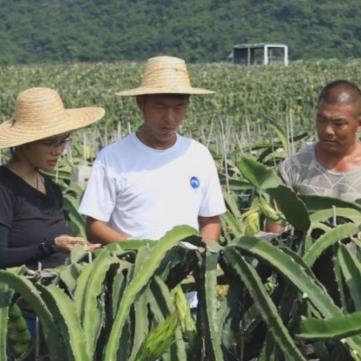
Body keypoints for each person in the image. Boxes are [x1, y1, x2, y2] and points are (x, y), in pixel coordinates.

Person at [79, 56, 226, 244]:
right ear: (141, 104)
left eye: (179, 108)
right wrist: (141, 254)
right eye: (160, 107)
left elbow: (210, 220)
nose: (170, 118)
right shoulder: (112, 157)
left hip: (188, 269)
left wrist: (199, 258)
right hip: (131, 267)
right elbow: (94, 226)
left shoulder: (199, 155)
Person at [0, 87, 105, 269]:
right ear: (24, 143)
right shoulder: (4, 188)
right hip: (20, 295)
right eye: (49, 142)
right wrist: (50, 246)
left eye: (63, 140)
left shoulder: (51, 187)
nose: (58, 150)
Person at [280, 79, 361, 203]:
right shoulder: (295, 167)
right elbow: (276, 218)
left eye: (338, 123)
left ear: (359, 124)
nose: (327, 130)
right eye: (322, 120)